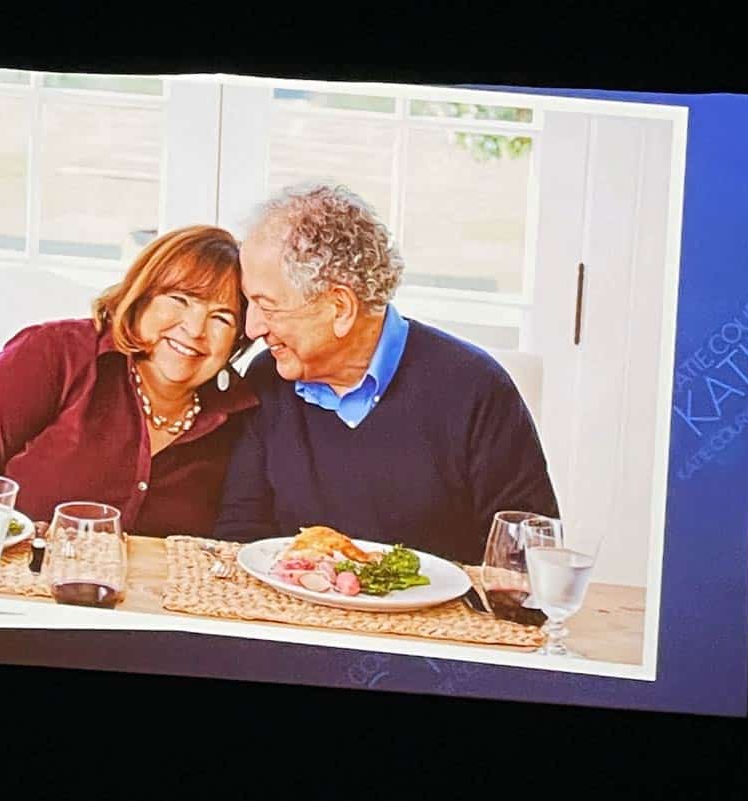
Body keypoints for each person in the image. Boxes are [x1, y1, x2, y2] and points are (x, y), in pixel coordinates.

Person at [214, 184, 558, 562]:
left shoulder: (476, 390)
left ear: (340, 307)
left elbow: (524, 560)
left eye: (268, 306)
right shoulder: (269, 379)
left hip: (435, 620)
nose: (252, 329)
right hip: (291, 615)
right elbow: (239, 539)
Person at [0, 227, 257, 537]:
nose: (194, 330)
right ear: (140, 297)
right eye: (179, 300)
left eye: (221, 318)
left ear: (239, 338)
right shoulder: (56, 354)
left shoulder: (243, 418)